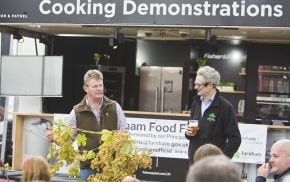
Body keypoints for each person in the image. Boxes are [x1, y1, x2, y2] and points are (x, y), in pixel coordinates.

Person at [46, 69, 127, 181]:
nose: (99, 89)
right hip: (88, 166)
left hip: (111, 165)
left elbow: (124, 132)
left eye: (101, 85)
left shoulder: (114, 107)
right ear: (85, 88)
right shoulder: (77, 112)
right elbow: (68, 139)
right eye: (95, 86)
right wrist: (55, 138)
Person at [185, 66, 241, 163]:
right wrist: (188, 133)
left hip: (213, 165)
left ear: (210, 85)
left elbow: (235, 139)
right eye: (195, 84)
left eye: (198, 85)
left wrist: (221, 160)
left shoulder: (225, 107)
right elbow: (190, 132)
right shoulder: (196, 102)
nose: (195, 88)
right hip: (194, 160)